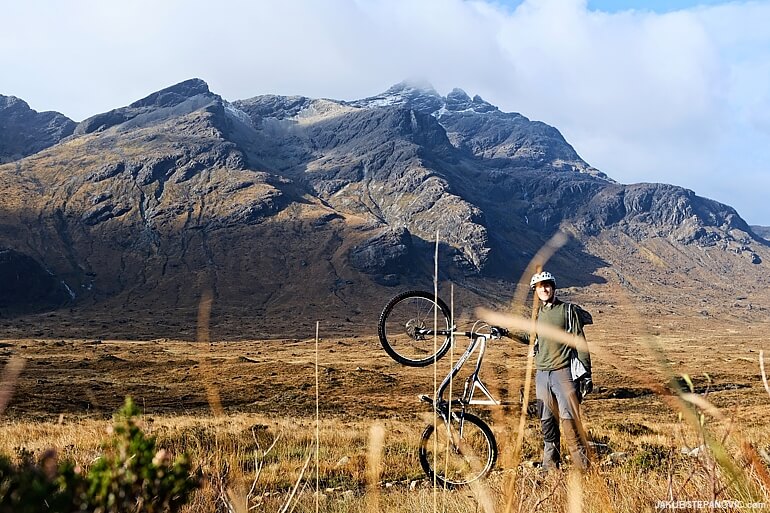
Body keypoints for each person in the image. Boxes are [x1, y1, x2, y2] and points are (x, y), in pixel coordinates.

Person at [515, 271, 592, 471]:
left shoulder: (567, 311)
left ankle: (583, 470)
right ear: (536, 291)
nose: (544, 289)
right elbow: (528, 337)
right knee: (547, 422)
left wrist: (586, 374)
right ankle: (550, 468)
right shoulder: (537, 315)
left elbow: (580, 341)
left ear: (554, 287)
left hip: (564, 373)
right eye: (540, 287)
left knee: (570, 423)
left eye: (547, 285)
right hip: (542, 374)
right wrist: (506, 332)